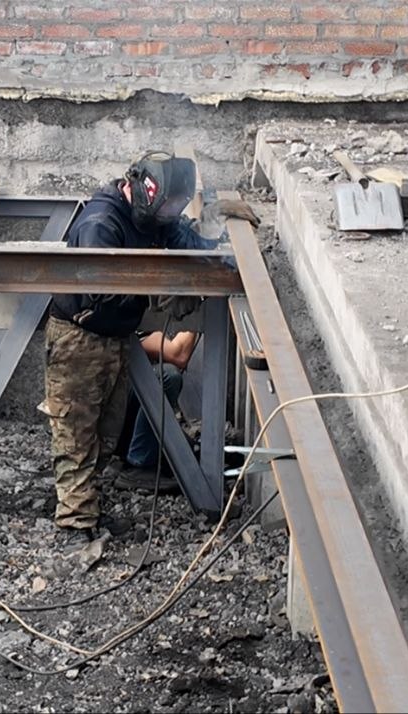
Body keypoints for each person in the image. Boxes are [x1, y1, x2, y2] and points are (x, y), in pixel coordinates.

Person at [39, 150, 257, 549]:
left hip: (115, 338)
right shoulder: (101, 224)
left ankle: (89, 510)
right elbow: (101, 291)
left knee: (105, 434)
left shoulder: (154, 215)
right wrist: (160, 293)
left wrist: (214, 223)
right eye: (165, 210)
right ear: (140, 189)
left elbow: (187, 243)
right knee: (76, 432)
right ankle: (73, 525)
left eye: (172, 210)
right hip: (79, 339)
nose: (167, 217)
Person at [113, 328, 198, 493]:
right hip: (112, 425)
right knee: (168, 376)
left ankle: (141, 454)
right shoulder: (136, 326)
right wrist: (201, 317)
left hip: (117, 418)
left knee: (191, 451)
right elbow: (178, 354)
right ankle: (139, 464)